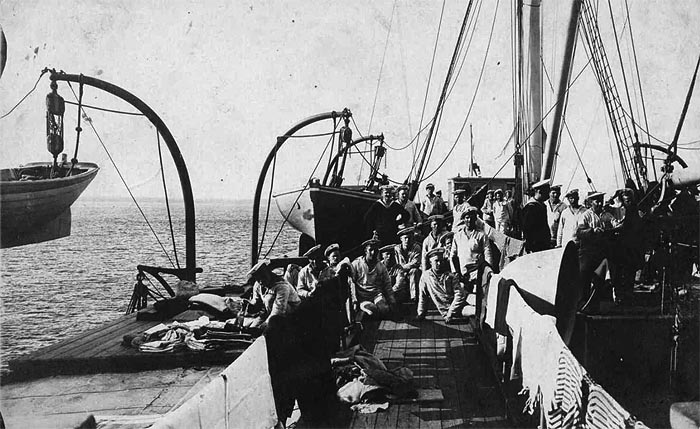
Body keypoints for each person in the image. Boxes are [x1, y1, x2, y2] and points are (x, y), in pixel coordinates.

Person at [416, 247, 469, 323]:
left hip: (459, 303)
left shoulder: (450, 276)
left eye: (441, 261)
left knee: (477, 301)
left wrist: (450, 313)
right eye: (436, 261)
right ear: (430, 262)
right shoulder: (426, 276)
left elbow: (459, 295)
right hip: (458, 310)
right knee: (475, 310)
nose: (439, 263)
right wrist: (420, 314)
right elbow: (423, 296)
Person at [246, 260, 301, 330]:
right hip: (269, 311)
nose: (261, 281)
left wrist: (263, 326)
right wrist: (249, 304)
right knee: (252, 328)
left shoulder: (282, 286)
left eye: (263, 277)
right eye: (258, 279)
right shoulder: (258, 284)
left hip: (289, 314)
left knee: (270, 299)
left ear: (269, 273)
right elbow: (256, 301)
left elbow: (278, 311)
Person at [450, 207, 492, 294]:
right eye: (467, 218)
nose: (469, 220)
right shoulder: (457, 236)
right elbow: (452, 256)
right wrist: (456, 273)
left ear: (475, 219)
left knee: (478, 295)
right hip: (462, 274)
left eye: (472, 218)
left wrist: (488, 271)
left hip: (477, 272)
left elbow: (488, 254)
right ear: (463, 219)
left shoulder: (481, 235)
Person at [351, 238, 396, 317]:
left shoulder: (381, 266)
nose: (373, 253)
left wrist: (392, 300)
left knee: (384, 309)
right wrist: (354, 300)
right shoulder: (356, 264)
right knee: (371, 309)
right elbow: (352, 283)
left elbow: (387, 284)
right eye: (370, 250)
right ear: (365, 251)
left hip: (376, 295)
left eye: (376, 250)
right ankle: (365, 309)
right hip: (362, 297)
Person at [577, 192, 608, 300]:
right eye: (597, 201)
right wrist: (592, 231)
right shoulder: (585, 215)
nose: (600, 204)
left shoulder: (606, 215)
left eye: (601, 201)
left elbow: (615, 223)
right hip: (588, 251)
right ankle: (583, 300)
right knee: (584, 275)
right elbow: (580, 232)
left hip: (601, 251)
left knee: (600, 277)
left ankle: (597, 301)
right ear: (591, 203)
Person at [392, 226, 422, 302]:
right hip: (401, 272)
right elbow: (395, 262)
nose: (407, 240)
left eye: (409, 238)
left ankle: (414, 298)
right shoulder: (397, 248)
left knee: (414, 271)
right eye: (405, 238)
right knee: (397, 283)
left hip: (411, 271)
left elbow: (416, 262)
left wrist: (402, 267)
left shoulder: (416, 247)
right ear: (401, 239)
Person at [521, 179, 551, 253]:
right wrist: (530, 246)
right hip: (535, 246)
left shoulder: (541, 205)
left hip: (543, 244)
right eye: (547, 192)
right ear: (540, 191)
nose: (549, 195)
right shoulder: (531, 207)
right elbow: (527, 229)